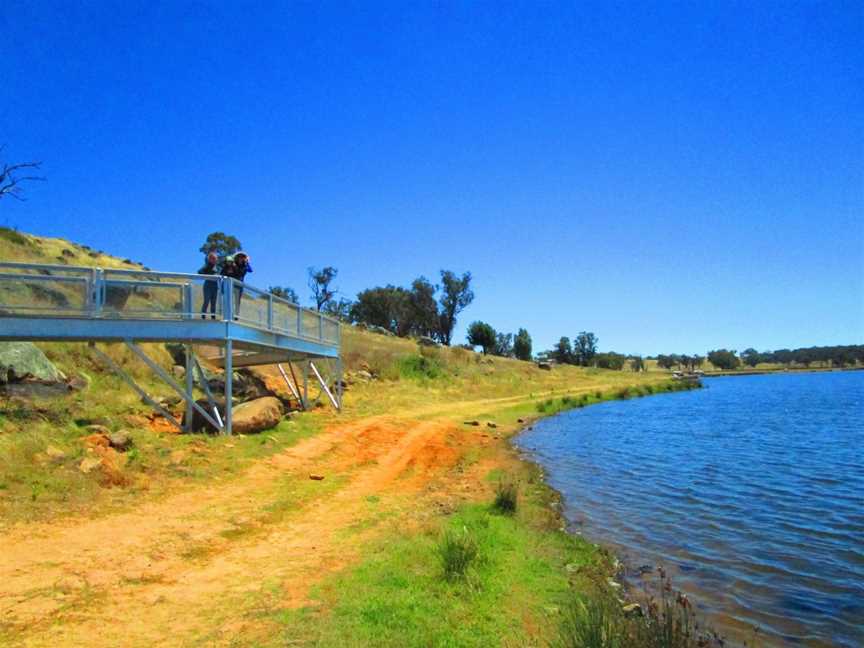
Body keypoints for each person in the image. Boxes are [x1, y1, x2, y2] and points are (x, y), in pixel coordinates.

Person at [221, 252, 252, 319]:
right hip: (232, 284)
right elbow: (227, 270)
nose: (240, 259)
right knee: (230, 299)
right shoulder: (234, 264)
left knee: (237, 301)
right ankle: (229, 314)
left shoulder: (245, 265)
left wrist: (247, 262)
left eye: (242, 257)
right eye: (239, 257)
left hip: (239, 285)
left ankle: (236, 315)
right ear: (237, 258)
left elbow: (250, 270)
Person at [198, 251, 221, 319]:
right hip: (208, 285)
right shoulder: (207, 266)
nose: (215, 260)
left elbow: (220, 274)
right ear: (210, 259)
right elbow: (199, 272)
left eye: (215, 258)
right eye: (213, 258)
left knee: (213, 302)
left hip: (215, 286)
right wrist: (207, 276)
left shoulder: (217, 267)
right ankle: (203, 316)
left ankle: (213, 317)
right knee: (206, 301)